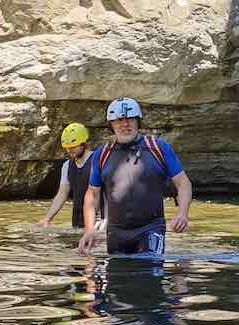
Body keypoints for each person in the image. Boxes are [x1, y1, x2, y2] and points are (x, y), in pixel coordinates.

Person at [78, 97, 192, 255]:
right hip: (116, 232)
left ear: (138, 122)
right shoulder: (101, 154)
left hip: (151, 228)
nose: (125, 124)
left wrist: (182, 213)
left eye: (130, 119)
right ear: (111, 125)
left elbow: (183, 183)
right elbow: (92, 193)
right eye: (119, 120)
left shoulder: (158, 148)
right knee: (119, 278)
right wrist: (89, 230)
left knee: (150, 273)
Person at [38, 122, 105, 231]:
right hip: (77, 223)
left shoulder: (98, 161)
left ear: (84, 143)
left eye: (73, 146)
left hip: (98, 223)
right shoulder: (67, 166)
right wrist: (47, 218)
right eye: (67, 147)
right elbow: (62, 194)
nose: (69, 150)